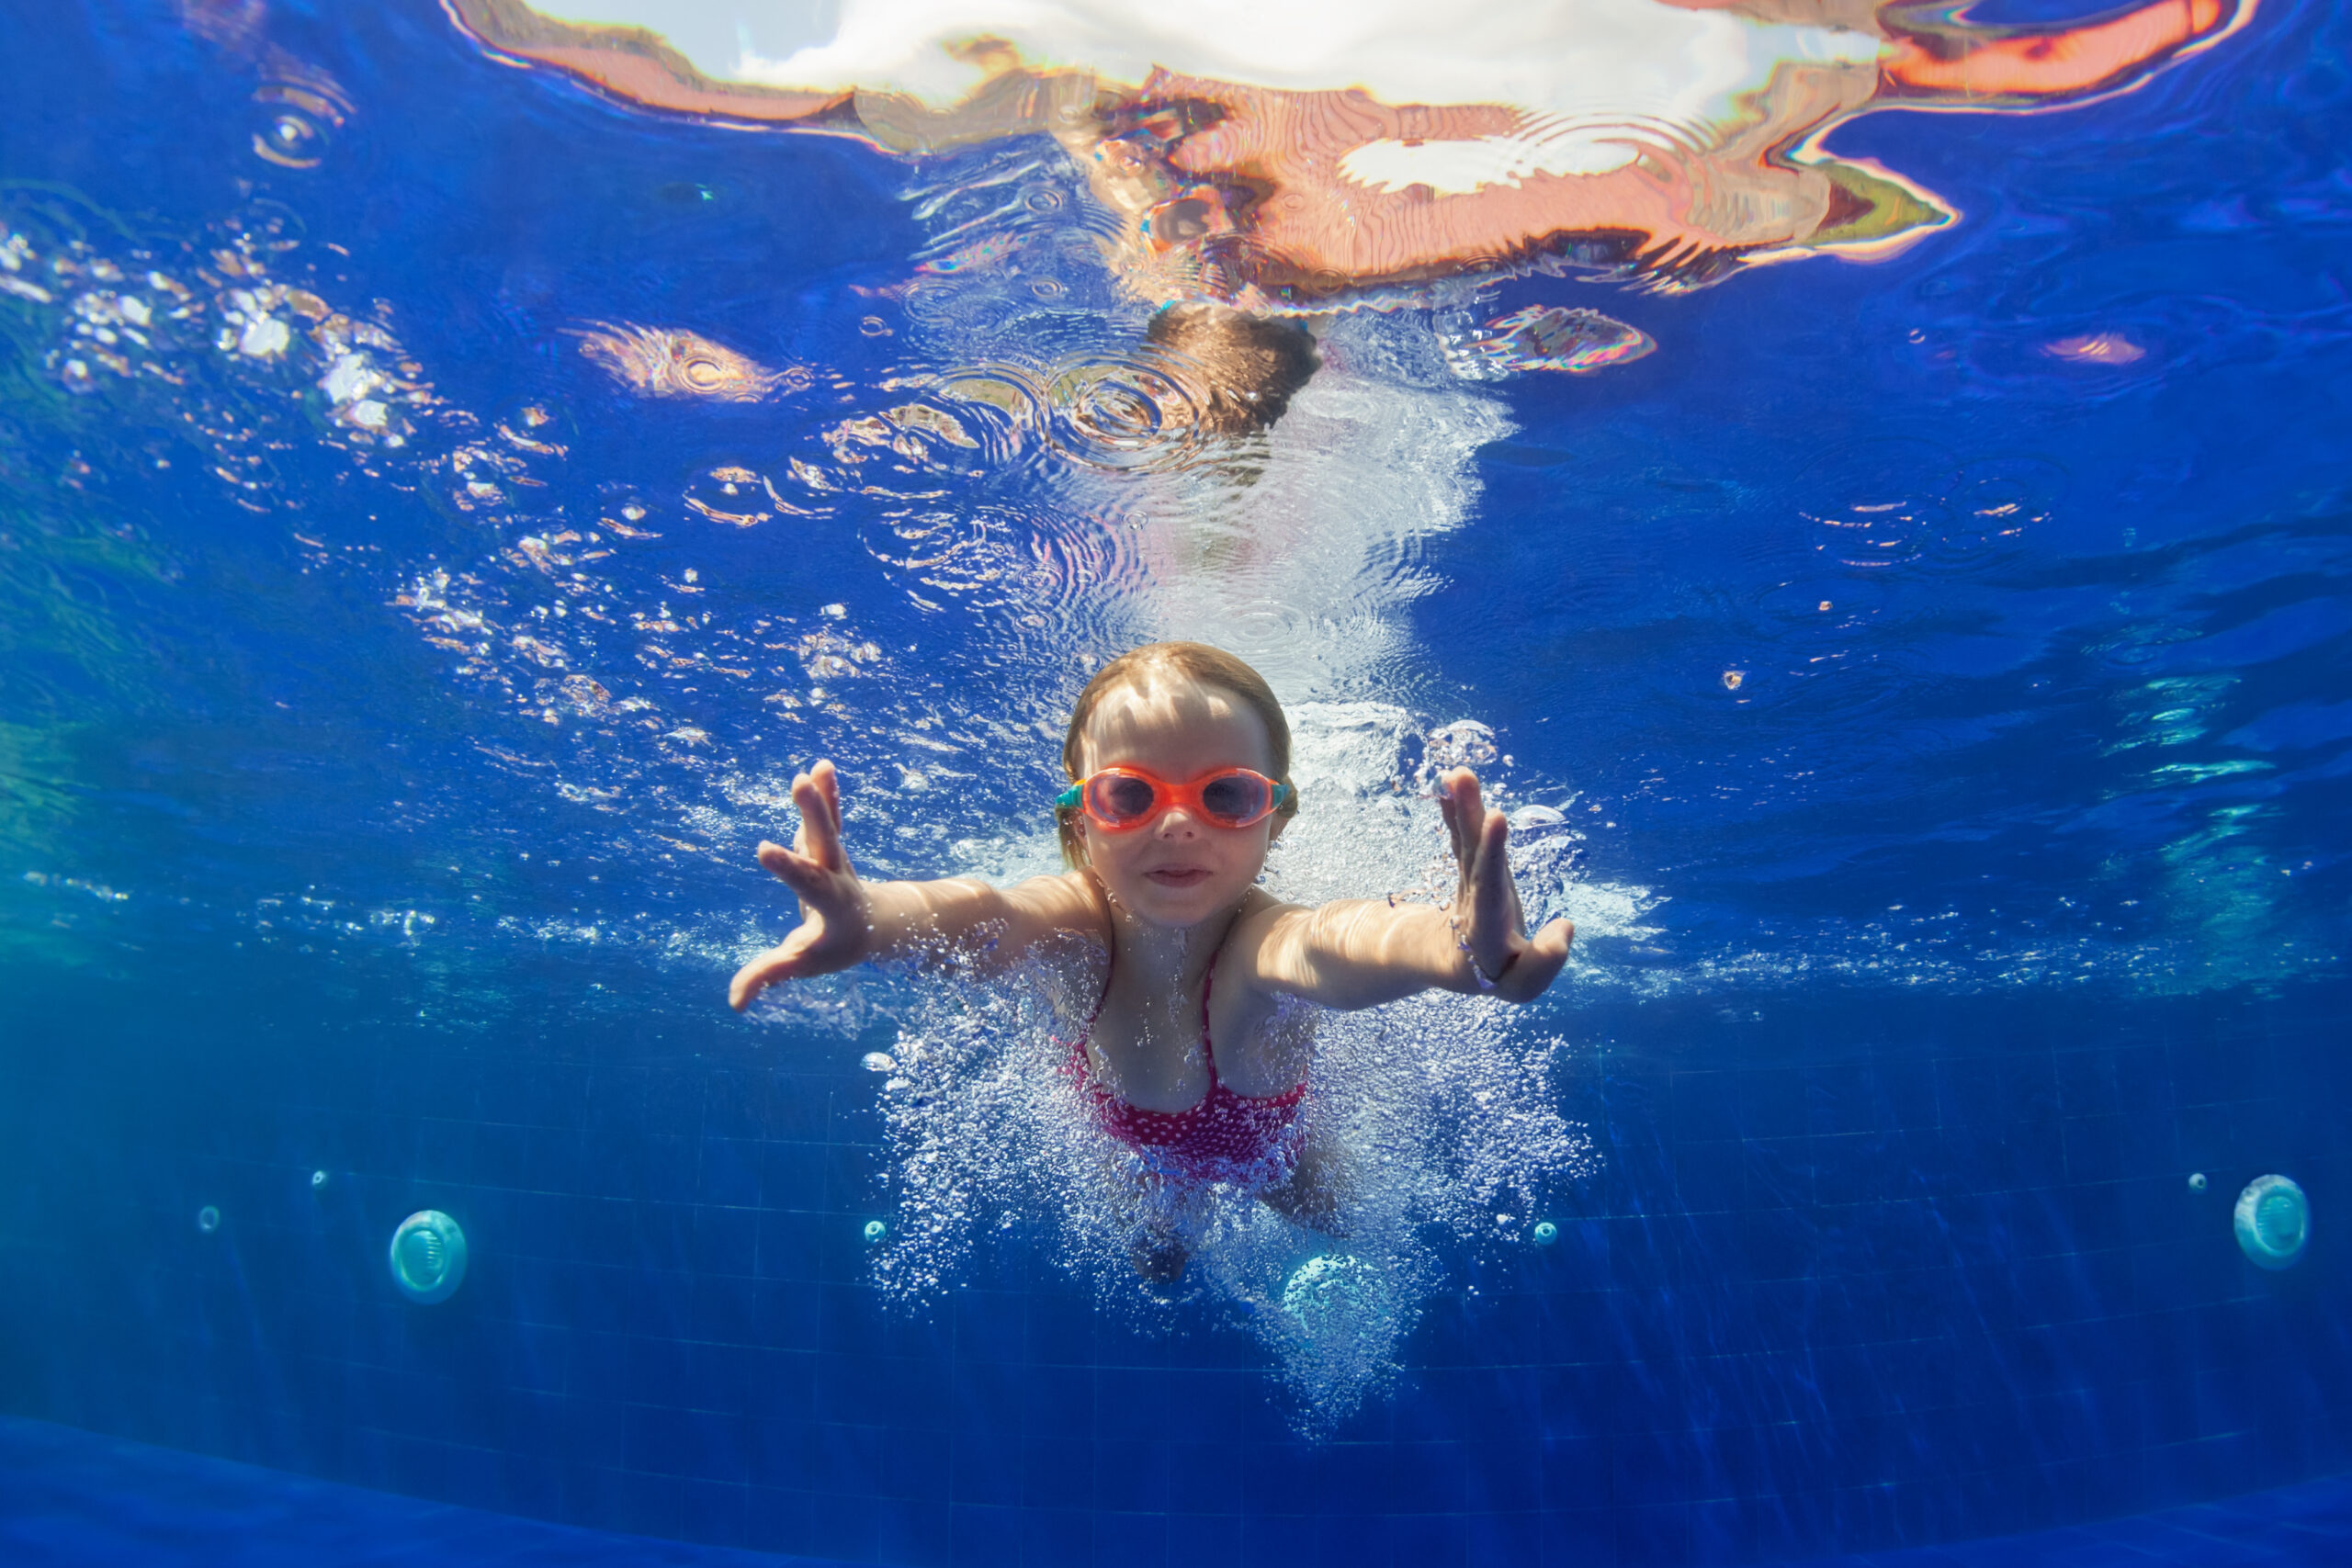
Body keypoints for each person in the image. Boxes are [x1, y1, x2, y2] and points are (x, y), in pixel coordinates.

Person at [727, 641, 1574, 1278]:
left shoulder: (1260, 940)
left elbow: (1340, 941)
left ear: (1274, 819)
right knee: (1157, 1267)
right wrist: (873, 918)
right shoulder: (1075, 923)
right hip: (1132, 1147)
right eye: (1129, 795)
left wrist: (1460, 950)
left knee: (1349, 1227)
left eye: (1227, 795)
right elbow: (985, 912)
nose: (1178, 825)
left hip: (1273, 1148)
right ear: (1080, 820)